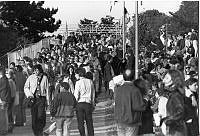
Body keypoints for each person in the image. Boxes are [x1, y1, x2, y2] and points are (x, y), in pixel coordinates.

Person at [114, 69, 146, 136]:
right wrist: (146, 101)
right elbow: (139, 107)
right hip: (131, 121)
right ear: (133, 77)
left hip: (120, 120)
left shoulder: (118, 89)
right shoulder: (135, 90)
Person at [24, 64, 49, 136]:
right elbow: (26, 87)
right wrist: (29, 94)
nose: (36, 71)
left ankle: (40, 130)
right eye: (35, 70)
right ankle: (36, 132)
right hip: (33, 99)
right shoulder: (30, 77)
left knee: (41, 115)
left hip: (41, 98)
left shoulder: (44, 78)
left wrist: (47, 101)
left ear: (40, 70)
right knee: (34, 116)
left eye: (37, 70)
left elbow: (47, 89)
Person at [162, 70, 188, 136]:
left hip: (176, 130)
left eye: (167, 78)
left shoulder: (175, 94)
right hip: (176, 129)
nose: (163, 80)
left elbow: (180, 112)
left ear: (174, 80)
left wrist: (166, 121)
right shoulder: (175, 93)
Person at [74, 68, 95, 136]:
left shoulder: (78, 83)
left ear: (79, 74)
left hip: (80, 103)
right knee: (89, 122)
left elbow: (76, 95)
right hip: (88, 103)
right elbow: (93, 94)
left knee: (80, 122)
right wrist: (93, 103)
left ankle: (82, 134)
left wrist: (75, 104)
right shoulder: (90, 81)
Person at [0, 66, 11, 135]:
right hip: (5, 99)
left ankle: (3, 130)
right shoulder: (6, 79)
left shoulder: (2, 80)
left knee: (3, 116)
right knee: (4, 115)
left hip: (2, 99)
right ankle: (4, 129)